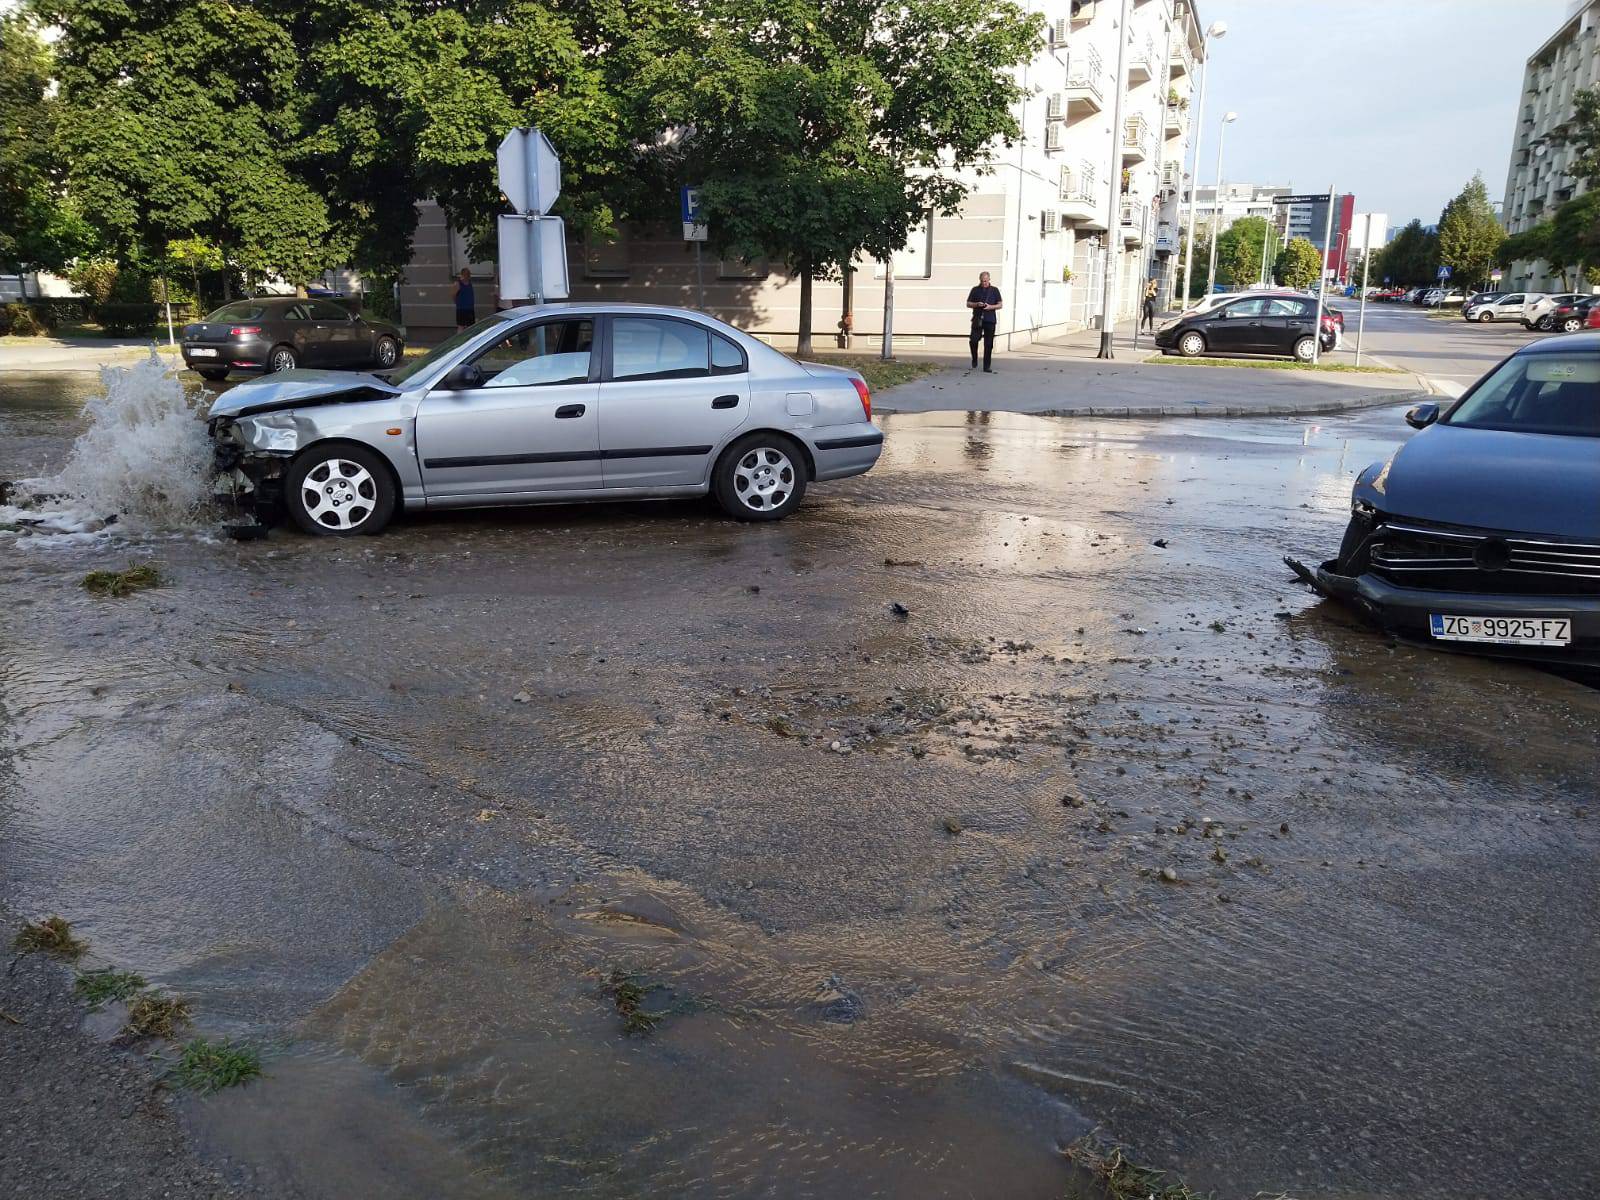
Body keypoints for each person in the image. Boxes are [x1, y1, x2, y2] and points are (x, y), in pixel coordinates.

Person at [966, 271, 1003, 372]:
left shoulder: (994, 290)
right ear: (980, 280)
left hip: (990, 320)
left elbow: (1000, 305)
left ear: (989, 279)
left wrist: (990, 307)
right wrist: (977, 304)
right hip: (977, 319)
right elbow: (968, 303)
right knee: (973, 340)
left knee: (988, 344)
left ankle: (987, 366)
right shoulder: (975, 290)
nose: (984, 283)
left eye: (986, 281)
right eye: (982, 281)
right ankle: (974, 358)